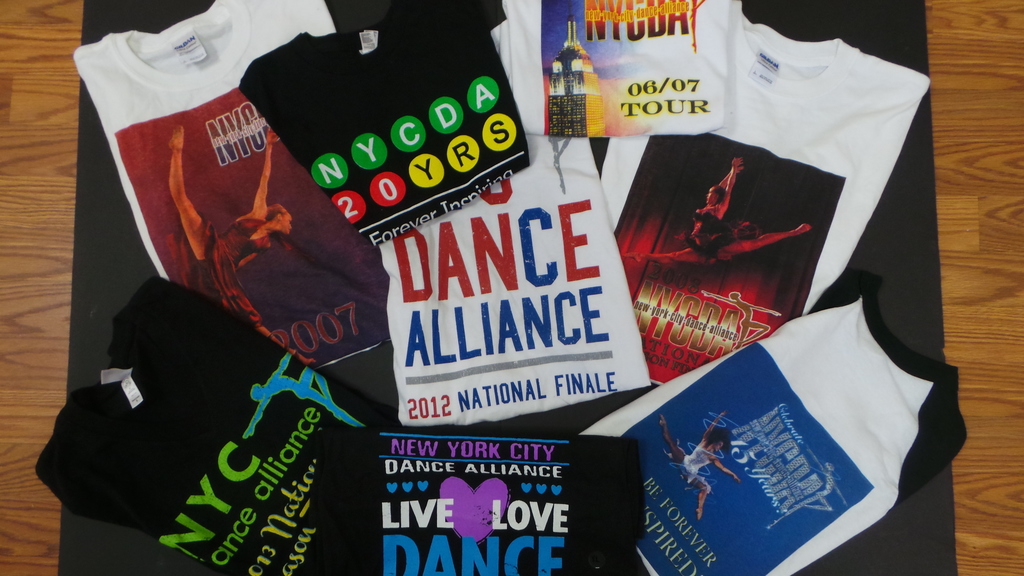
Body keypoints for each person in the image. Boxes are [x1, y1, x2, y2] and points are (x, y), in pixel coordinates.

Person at [165, 125, 294, 341]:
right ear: (279, 216)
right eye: (289, 220)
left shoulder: (265, 243)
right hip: (214, 246)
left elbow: (239, 262)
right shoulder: (257, 214)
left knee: (243, 312)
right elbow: (264, 179)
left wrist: (222, 278)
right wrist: (269, 147)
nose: (291, 225)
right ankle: (176, 151)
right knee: (183, 204)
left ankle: (288, 352)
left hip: (222, 268)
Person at [626, 157, 812, 264]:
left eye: (714, 196)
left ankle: (793, 232)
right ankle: (641, 256)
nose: (711, 198)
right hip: (702, 247)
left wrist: (733, 171)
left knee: (755, 244)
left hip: (719, 244)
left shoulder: (719, 208)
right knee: (674, 256)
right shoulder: (702, 209)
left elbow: (727, 189)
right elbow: (719, 187)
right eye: (710, 195)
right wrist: (731, 172)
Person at [658, 411, 741, 520]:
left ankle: (700, 508)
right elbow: (711, 427)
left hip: (689, 474)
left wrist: (734, 475)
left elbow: (723, 468)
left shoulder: (713, 458)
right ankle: (664, 425)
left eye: (721, 447)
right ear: (716, 440)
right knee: (671, 443)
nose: (719, 447)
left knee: (704, 488)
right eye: (720, 444)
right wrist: (719, 417)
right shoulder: (705, 441)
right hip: (684, 461)